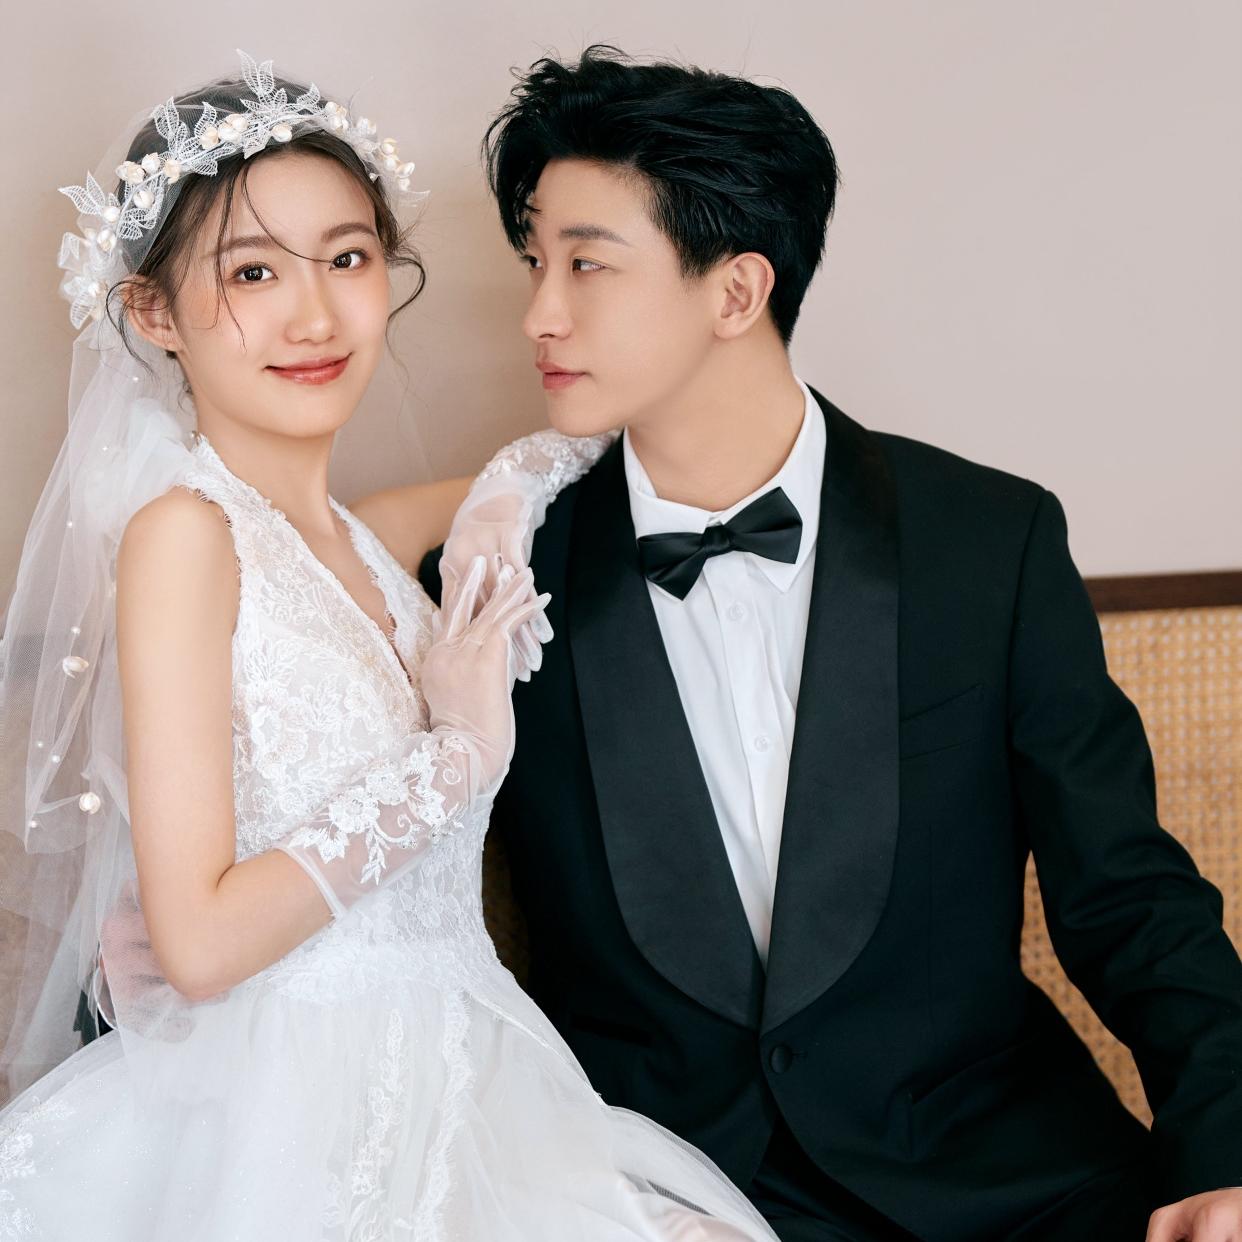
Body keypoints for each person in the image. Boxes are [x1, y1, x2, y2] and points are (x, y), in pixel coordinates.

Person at [415, 46, 1242, 1241]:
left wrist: (1225, 1156)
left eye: (586, 263)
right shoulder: (492, 580)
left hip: (1004, 1182)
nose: (539, 313)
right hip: (669, 1194)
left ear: (736, 292)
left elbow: (1128, 896)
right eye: (535, 261)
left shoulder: (988, 541)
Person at [0, 51, 779, 1240]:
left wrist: (512, 485)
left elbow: (611, 446)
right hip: (289, 1106)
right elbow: (198, 944)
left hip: (477, 1070)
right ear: (154, 313)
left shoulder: (371, 533)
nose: (316, 316)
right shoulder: (183, 538)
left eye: (349, 259)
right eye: (252, 271)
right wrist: (456, 759)